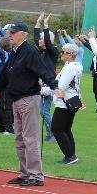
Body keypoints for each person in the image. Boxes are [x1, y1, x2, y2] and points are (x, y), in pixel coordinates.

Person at [0, 22, 58, 187]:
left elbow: (43, 70)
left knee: (30, 138)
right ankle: (24, 173)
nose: (10, 35)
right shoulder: (15, 52)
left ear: (23, 34)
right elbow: (7, 72)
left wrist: (54, 85)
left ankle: (36, 175)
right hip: (16, 99)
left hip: (29, 98)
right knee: (19, 139)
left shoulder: (29, 51)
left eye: (13, 32)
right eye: (9, 32)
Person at [46, 43, 82, 164]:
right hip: (72, 100)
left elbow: (60, 87)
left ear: (70, 55)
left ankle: (70, 156)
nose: (61, 54)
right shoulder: (72, 66)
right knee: (66, 129)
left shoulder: (70, 67)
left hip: (65, 102)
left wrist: (42, 90)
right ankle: (71, 155)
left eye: (64, 52)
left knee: (56, 128)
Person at [34, 13, 59, 142]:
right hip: (40, 84)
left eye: (42, 39)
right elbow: (37, 38)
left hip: (49, 85)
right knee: (42, 112)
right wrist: (38, 23)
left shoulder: (52, 51)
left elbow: (48, 41)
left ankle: (53, 134)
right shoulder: (41, 51)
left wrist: (46, 25)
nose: (39, 40)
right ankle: (50, 134)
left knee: (45, 112)